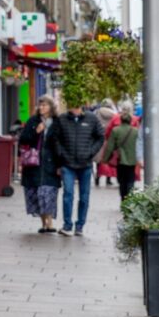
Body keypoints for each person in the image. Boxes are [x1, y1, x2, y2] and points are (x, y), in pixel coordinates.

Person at [51, 101, 105, 237]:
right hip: (67, 163)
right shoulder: (62, 119)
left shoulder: (91, 118)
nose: (73, 107)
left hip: (85, 164)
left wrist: (91, 152)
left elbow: (101, 136)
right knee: (68, 194)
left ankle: (80, 225)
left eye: (75, 105)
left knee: (84, 197)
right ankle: (67, 225)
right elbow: (55, 138)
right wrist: (61, 154)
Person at [19, 95, 61, 233]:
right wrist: (36, 132)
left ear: (51, 107)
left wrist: (60, 163)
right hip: (34, 164)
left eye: (45, 105)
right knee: (38, 193)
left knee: (48, 192)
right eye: (40, 105)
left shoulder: (56, 122)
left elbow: (60, 142)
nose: (42, 107)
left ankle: (49, 223)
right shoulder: (33, 121)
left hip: (51, 163)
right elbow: (23, 139)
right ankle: (44, 223)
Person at [101, 101, 140, 201]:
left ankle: (123, 198)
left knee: (122, 181)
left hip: (120, 158)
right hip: (132, 158)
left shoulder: (115, 126)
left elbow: (109, 143)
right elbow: (139, 143)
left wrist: (105, 159)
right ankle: (129, 198)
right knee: (130, 180)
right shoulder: (135, 128)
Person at [94, 99, 117, 187]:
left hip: (99, 139)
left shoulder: (97, 113)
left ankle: (97, 178)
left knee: (99, 161)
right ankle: (108, 179)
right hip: (109, 139)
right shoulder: (114, 114)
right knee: (108, 159)